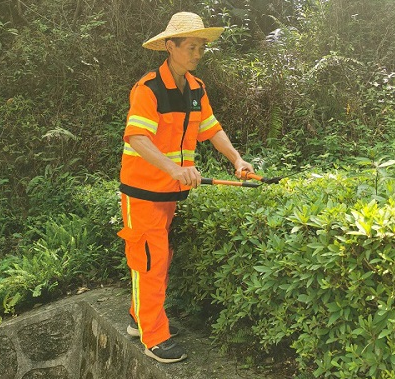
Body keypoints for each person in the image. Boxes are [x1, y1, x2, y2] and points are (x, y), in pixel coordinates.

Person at [117, 11, 254, 364]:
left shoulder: (196, 88)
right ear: (169, 46)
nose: (197, 53)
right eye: (191, 46)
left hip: (170, 193)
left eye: (201, 47)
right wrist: (174, 169)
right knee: (150, 260)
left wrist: (237, 159)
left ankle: (140, 319)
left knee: (159, 258)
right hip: (143, 191)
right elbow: (137, 137)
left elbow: (211, 129)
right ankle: (153, 336)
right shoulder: (148, 88)